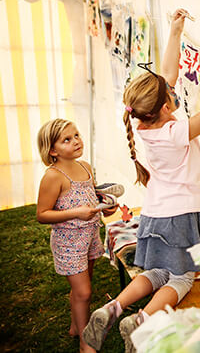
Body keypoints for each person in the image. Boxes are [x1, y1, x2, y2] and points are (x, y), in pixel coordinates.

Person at [83, 9, 200, 352]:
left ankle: (112, 307)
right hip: (180, 216)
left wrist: (175, 31)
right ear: (164, 106)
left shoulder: (145, 126)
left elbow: (166, 76)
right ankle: (141, 320)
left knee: (158, 271)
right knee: (183, 277)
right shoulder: (175, 131)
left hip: (155, 215)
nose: (172, 88)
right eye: (169, 93)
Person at [36, 118, 118, 353]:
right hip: (68, 243)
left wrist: (105, 206)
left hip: (90, 237)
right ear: (52, 150)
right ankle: (85, 341)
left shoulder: (85, 167)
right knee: (84, 292)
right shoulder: (53, 176)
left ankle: (75, 326)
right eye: (67, 140)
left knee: (83, 288)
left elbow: (92, 197)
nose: (76, 142)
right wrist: (76, 213)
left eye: (77, 135)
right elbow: (42, 214)